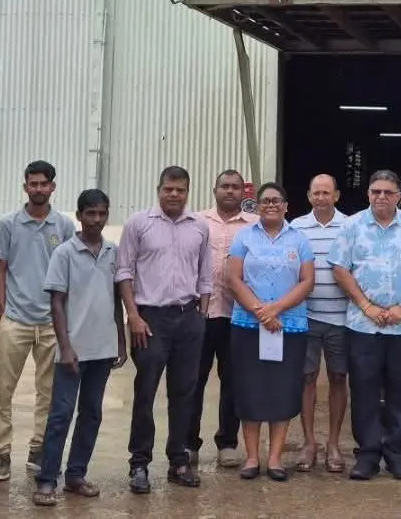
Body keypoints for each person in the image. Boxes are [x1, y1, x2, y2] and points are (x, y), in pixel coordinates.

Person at [329, 170, 401, 481]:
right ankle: (368, 455)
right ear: (368, 193)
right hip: (364, 325)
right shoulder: (352, 226)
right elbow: (340, 269)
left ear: (399, 195)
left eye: (388, 192)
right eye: (376, 191)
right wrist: (366, 306)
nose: (381, 197)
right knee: (363, 389)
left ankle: (397, 454)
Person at [116, 165, 213, 493]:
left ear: (188, 192)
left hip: (189, 319)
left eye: (180, 190)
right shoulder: (138, 224)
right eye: (168, 189)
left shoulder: (199, 226)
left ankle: (178, 460)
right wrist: (134, 316)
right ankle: (139, 463)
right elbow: (124, 272)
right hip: (150, 321)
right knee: (145, 393)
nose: (174, 195)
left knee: (185, 393)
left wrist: (201, 313)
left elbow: (205, 274)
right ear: (159, 190)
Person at [33, 189, 128, 506]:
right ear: (79, 215)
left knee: (92, 414)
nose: (97, 220)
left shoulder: (113, 251)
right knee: (60, 415)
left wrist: (120, 341)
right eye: (91, 213)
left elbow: (116, 300)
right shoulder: (64, 253)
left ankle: (76, 475)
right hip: (72, 351)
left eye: (102, 214)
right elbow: (56, 303)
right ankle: (46, 480)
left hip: (103, 349)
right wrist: (66, 346)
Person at [0, 160, 76, 480]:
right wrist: (2, 310)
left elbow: (68, 270)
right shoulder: (8, 224)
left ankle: (38, 448)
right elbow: (1, 268)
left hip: (52, 322)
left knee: (48, 391)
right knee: (3, 390)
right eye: (32, 184)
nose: (38, 189)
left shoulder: (64, 226)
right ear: (25, 186)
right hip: (16, 319)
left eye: (44, 184)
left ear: (53, 186)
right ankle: (0, 453)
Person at [226, 182, 315, 482]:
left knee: (282, 391)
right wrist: (260, 311)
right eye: (265, 201)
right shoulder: (243, 237)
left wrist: (275, 310)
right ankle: (252, 457)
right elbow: (234, 279)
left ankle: (275, 458)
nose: (271, 205)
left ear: (287, 206)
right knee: (250, 391)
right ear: (257, 206)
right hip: (248, 325)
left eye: (277, 200)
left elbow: (307, 281)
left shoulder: (299, 240)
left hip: (289, 327)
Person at [186, 169, 258, 469]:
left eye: (235, 187)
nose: (230, 191)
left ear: (244, 193)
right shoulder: (196, 222)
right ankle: (188, 443)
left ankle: (227, 442)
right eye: (224, 186)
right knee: (193, 381)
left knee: (233, 381)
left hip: (237, 315)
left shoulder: (255, 226)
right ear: (214, 190)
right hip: (200, 314)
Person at [291, 174, 350, 473]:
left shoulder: (351, 226)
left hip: (342, 319)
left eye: (327, 192)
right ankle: (309, 442)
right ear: (309, 195)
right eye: (316, 192)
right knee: (307, 378)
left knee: (339, 378)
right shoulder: (296, 228)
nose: (321, 197)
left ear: (337, 196)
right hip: (306, 317)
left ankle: (334, 444)